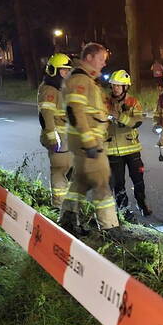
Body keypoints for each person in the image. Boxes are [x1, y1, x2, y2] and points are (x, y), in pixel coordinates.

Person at [58, 43, 118, 235]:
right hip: (89, 144)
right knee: (102, 184)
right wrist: (89, 142)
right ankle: (110, 229)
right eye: (101, 59)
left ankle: (67, 221)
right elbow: (75, 112)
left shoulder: (86, 80)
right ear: (89, 58)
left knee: (80, 183)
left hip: (87, 143)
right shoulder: (80, 80)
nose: (103, 64)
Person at [105, 70, 150, 220]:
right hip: (112, 150)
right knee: (118, 183)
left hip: (132, 149)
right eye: (114, 85)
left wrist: (119, 116)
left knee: (138, 179)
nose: (116, 88)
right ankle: (124, 211)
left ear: (125, 87)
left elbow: (136, 122)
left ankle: (142, 203)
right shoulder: (105, 101)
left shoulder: (133, 102)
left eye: (119, 85)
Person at [37, 53, 73, 207]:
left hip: (66, 138)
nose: (66, 74)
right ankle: (59, 205)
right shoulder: (49, 90)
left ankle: (67, 205)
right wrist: (53, 139)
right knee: (59, 172)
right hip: (59, 140)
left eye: (68, 70)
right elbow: (46, 116)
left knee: (68, 170)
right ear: (53, 71)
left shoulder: (59, 89)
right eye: (63, 71)